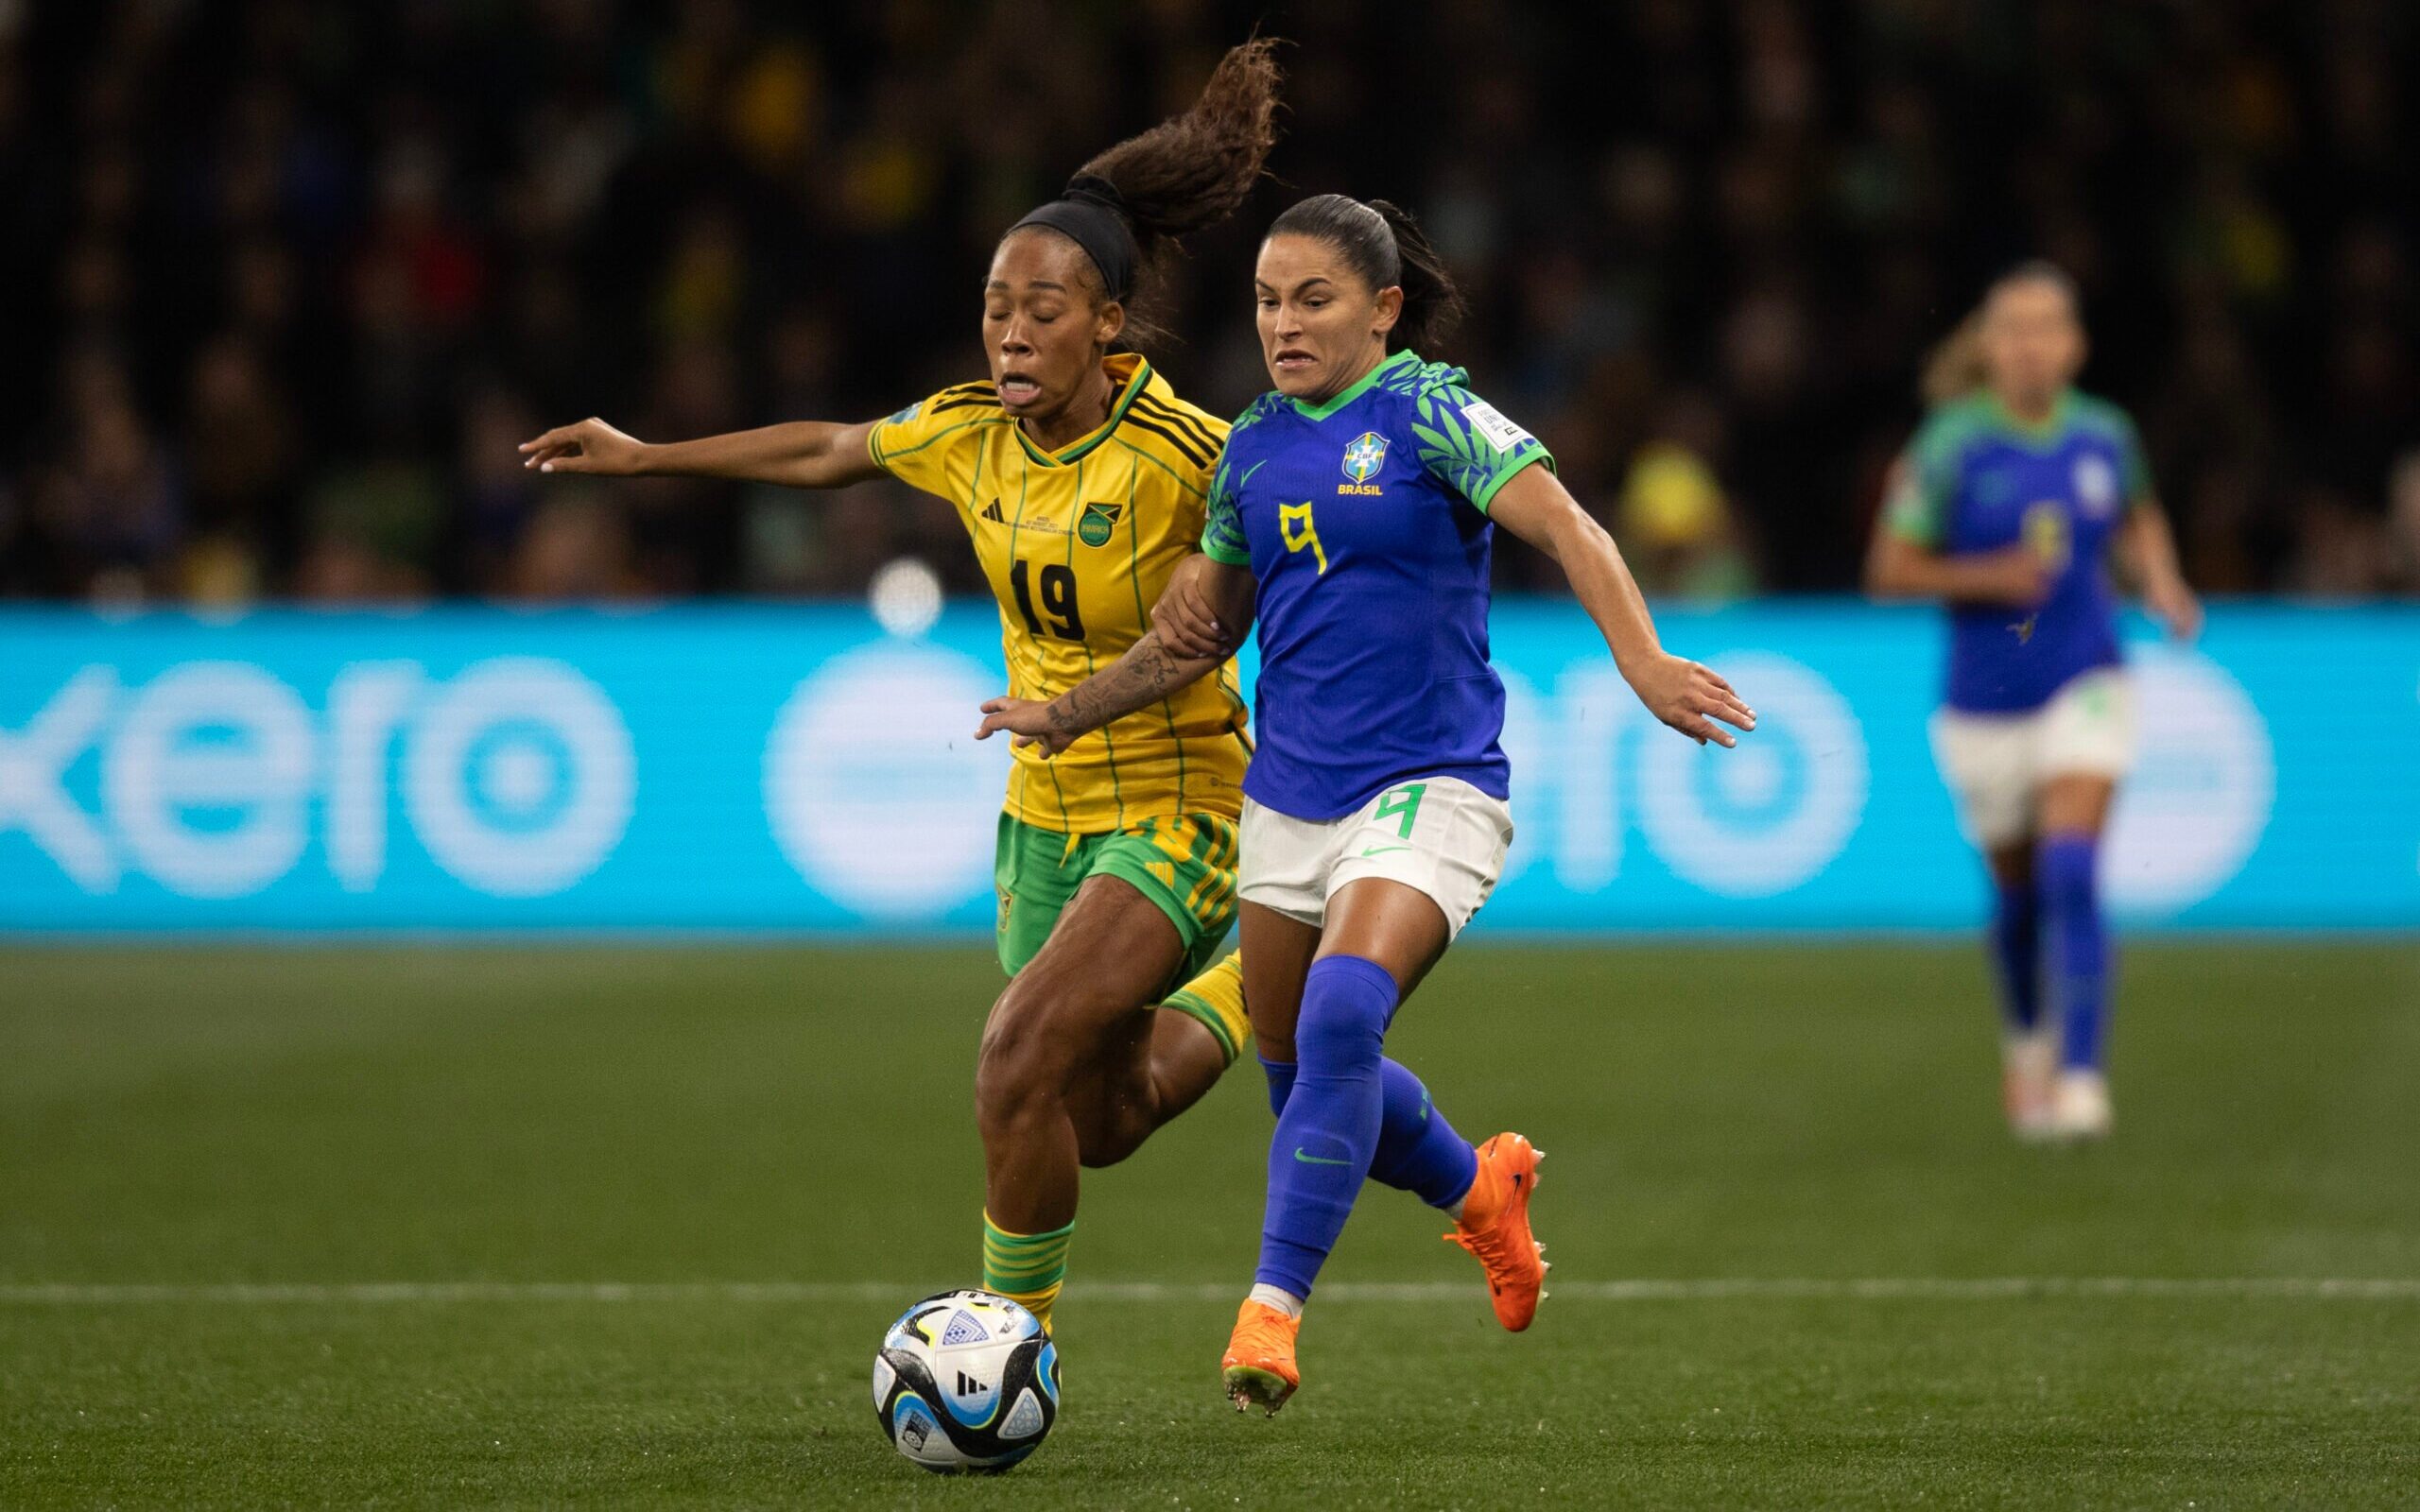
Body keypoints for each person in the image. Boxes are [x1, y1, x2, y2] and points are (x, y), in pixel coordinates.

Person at [518, 43, 1284, 1331]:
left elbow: (1252, 602)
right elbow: (831, 446)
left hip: (1180, 803)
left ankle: (1003, 1343)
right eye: (996, 302)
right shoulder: (970, 425)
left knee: (1010, 1058)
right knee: (1104, 1118)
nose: (1011, 327)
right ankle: (1261, 983)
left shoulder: (1191, 456)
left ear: (1107, 323)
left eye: (1043, 306)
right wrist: (647, 456)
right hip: (1044, 815)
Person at [977, 193, 1754, 1412]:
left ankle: (1271, 1312)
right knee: (1305, 1084)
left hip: (1432, 785)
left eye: (1313, 299)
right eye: (1267, 302)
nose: (1283, 324)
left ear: (1382, 308)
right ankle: (1480, 1191)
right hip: (1288, 806)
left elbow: (1568, 525)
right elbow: (1201, 632)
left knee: (1344, 1010)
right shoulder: (1250, 446)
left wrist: (1642, 658)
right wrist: (1069, 710)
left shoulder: (1431, 412)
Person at [1865, 262, 2202, 1143]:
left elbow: (2136, 516)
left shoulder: (2105, 435)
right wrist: (1988, 575)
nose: (2030, 345)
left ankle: (2083, 1079)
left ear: (2075, 344)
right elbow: (1890, 570)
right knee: (2017, 902)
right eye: (2013, 328)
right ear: (1987, 345)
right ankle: (2028, 1043)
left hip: (2086, 678)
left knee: (2070, 870)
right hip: (1983, 705)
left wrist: (2161, 582)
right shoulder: (1950, 445)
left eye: (2047, 326)